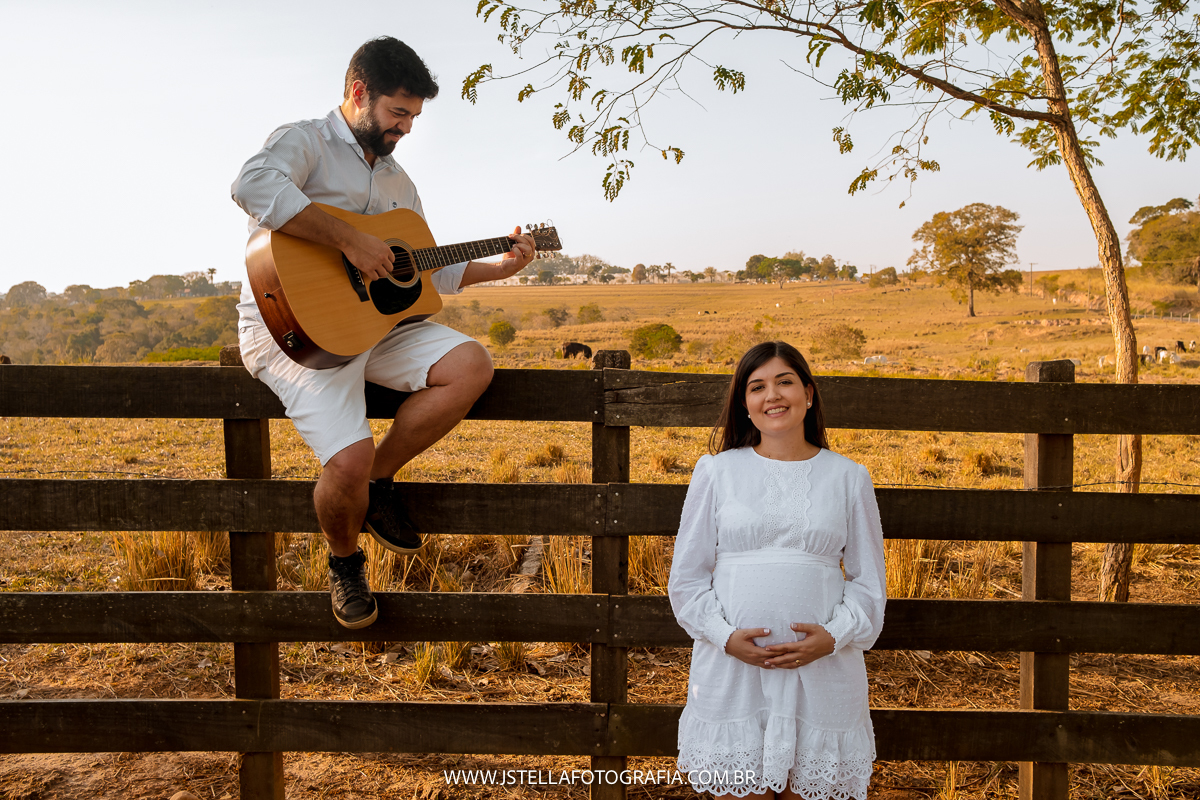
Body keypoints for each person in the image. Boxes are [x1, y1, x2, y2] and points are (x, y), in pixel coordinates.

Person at [230, 37, 536, 630]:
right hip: (292, 332)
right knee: (344, 462)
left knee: (471, 364)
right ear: (358, 93)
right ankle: (345, 560)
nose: (407, 128)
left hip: (376, 327)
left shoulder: (400, 184)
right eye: (399, 113)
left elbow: (425, 264)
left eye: (415, 116)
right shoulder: (306, 141)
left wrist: (501, 266)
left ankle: (378, 480)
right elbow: (252, 186)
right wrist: (348, 239)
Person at [667, 341, 886, 799]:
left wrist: (832, 637)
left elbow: (869, 584)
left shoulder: (848, 477)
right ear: (744, 405)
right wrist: (726, 637)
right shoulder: (717, 472)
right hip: (734, 671)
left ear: (808, 393)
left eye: (785, 382)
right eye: (757, 386)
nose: (773, 396)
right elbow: (686, 580)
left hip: (824, 672)